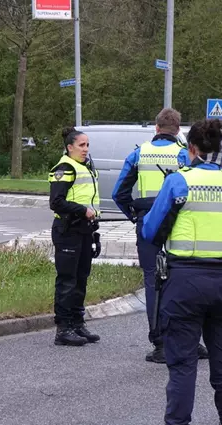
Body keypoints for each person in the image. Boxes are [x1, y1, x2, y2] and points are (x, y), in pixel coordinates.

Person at [134, 118, 222, 425]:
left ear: (191, 148)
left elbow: (151, 230)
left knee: (183, 366)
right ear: (220, 149)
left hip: (185, 282)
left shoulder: (179, 182)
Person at [112, 108, 209, 363]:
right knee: (186, 279)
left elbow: (119, 193)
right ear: (178, 130)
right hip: (180, 222)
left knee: (153, 282)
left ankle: (160, 344)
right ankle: (190, 341)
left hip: (148, 223)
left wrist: (135, 215)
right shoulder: (184, 155)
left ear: (156, 128)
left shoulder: (138, 154)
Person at [48, 127, 102, 347]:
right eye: (81, 145)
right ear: (69, 147)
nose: (85, 149)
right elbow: (56, 202)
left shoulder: (85, 167)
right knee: (67, 280)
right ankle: (63, 329)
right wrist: (81, 210)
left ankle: (78, 323)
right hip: (68, 230)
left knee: (81, 278)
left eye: (87, 145)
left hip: (84, 230)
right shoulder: (64, 168)